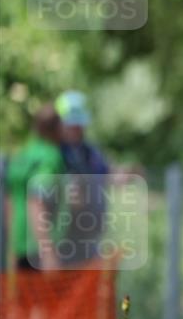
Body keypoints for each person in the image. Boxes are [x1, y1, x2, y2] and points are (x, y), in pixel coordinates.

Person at [54, 90, 111, 266]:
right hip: (64, 242)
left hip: (90, 239)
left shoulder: (89, 152)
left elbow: (106, 173)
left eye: (79, 125)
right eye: (72, 125)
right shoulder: (54, 155)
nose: (77, 130)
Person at [6, 104, 65, 270]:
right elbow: (36, 200)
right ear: (57, 128)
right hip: (39, 248)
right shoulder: (50, 156)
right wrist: (48, 253)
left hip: (18, 246)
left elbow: (9, 201)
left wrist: (11, 248)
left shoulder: (22, 155)